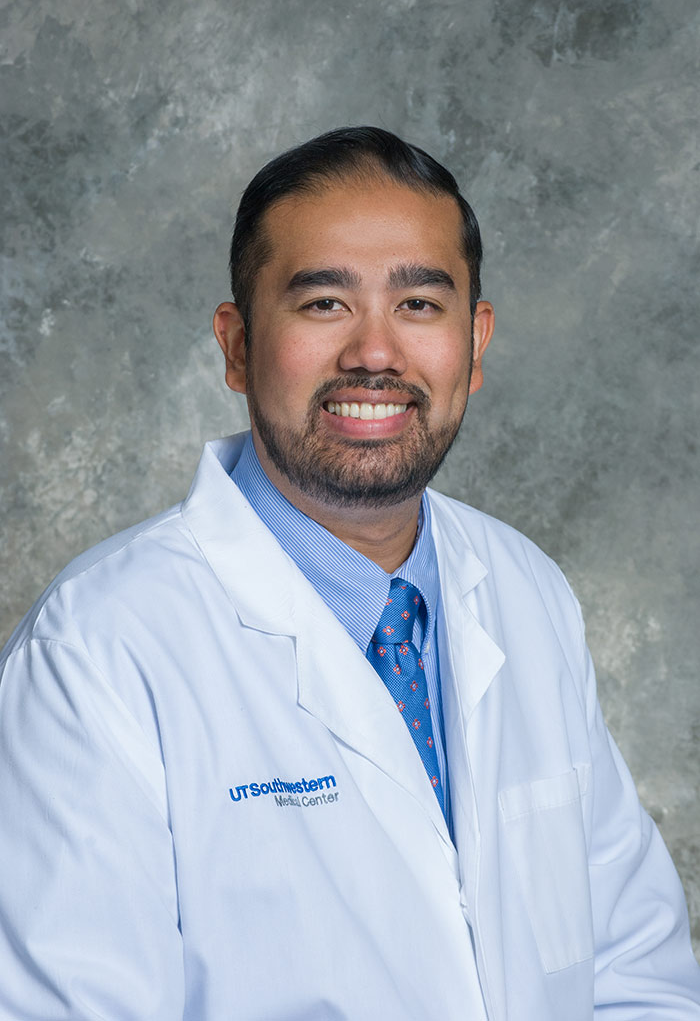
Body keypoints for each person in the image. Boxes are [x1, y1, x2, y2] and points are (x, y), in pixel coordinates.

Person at [0, 126, 698, 1021]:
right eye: (324, 303)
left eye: (419, 305)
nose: (376, 353)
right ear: (238, 345)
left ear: (474, 343)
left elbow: (635, 972)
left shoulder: (527, 592)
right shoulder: (95, 655)